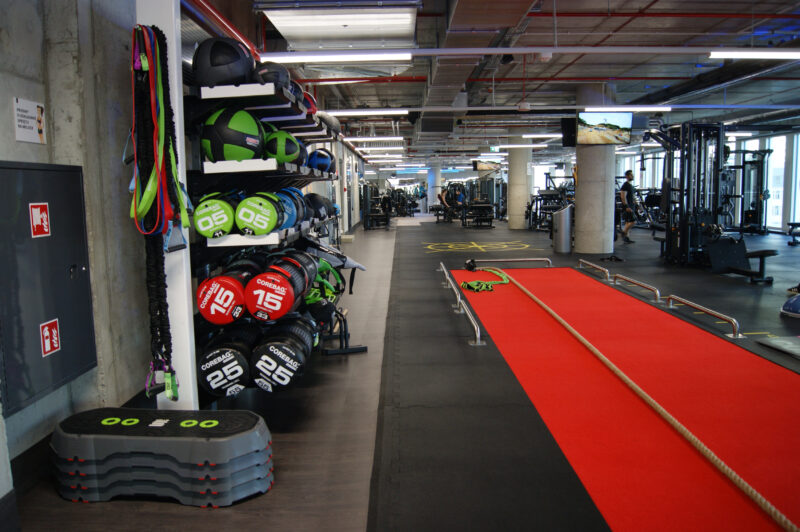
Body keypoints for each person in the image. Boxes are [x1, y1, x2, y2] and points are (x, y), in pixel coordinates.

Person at [619, 170, 638, 243]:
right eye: (630, 175)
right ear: (627, 176)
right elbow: (623, 196)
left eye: (632, 175)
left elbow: (632, 196)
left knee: (628, 222)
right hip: (627, 206)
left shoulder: (631, 185)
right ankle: (624, 232)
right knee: (633, 221)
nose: (632, 176)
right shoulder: (625, 185)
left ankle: (626, 238)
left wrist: (635, 203)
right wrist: (626, 206)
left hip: (631, 205)